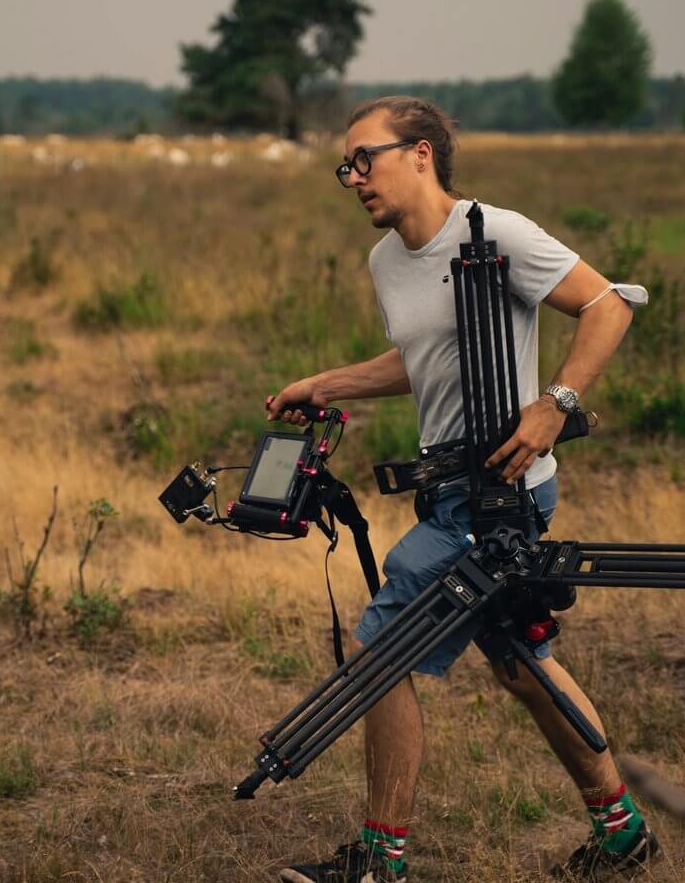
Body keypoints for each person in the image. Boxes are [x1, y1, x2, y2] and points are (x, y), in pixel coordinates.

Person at [266, 97, 654, 882]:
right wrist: (326, 381)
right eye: (344, 167)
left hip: (500, 496)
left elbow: (608, 305)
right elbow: (422, 359)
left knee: (383, 650)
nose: (352, 179)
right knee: (518, 661)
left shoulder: (496, 234)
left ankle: (381, 861)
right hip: (451, 493)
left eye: (363, 159)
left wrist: (556, 405)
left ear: (420, 154)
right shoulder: (387, 261)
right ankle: (622, 831)